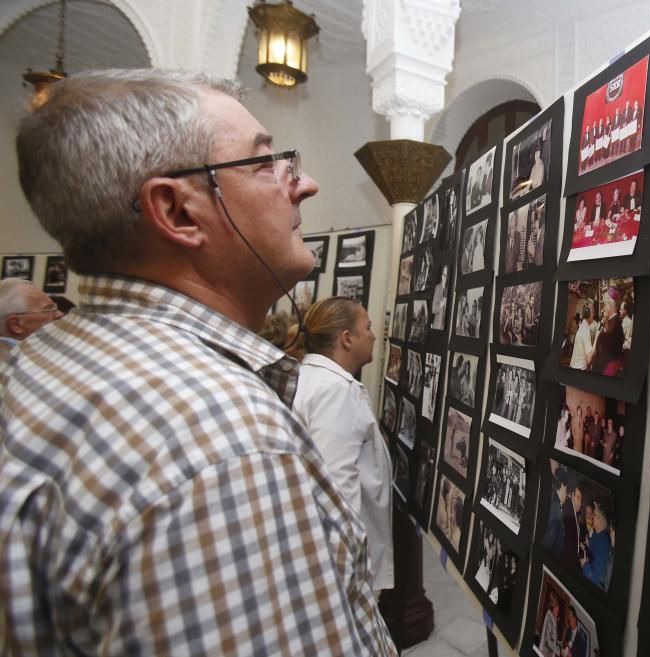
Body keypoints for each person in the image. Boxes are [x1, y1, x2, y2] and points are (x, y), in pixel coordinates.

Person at [0, 69, 394, 655]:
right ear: (178, 212)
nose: (304, 184)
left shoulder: (44, 357)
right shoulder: (225, 444)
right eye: (267, 163)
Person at [287, 297, 394, 590]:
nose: (374, 335)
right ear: (347, 339)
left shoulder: (311, 378)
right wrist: (348, 581)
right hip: (340, 573)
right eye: (368, 327)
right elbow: (335, 494)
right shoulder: (335, 391)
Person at [0, 279, 64, 360]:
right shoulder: (23, 363)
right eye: (49, 309)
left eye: (55, 307)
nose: (60, 314)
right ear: (16, 325)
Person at [591, 291, 625, 376]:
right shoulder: (612, 321)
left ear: (610, 306)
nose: (603, 309)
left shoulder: (615, 322)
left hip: (607, 367)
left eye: (605, 305)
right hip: (605, 364)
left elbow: (606, 346)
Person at [582, 501, 612, 590]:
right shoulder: (597, 536)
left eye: (594, 514)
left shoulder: (603, 542)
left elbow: (595, 579)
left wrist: (584, 565)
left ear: (600, 519)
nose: (591, 516)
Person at [540, 590, 562, 657]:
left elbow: (554, 637)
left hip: (550, 651)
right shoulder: (549, 618)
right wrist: (559, 651)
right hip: (545, 651)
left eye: (558, 611)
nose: (558, 613)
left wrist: (559, 643)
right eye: (557, 610)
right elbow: (548, 641)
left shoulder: (554, 619)